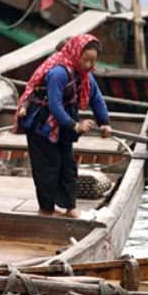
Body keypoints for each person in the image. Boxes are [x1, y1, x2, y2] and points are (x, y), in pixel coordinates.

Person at [16, 34, 111, 218]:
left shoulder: (85, 76)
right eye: (86, 60)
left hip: (64, 126)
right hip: (42, 125)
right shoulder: (58, 73)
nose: (90, 66)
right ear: (75, 55)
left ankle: (70, 207)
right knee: (47, 168)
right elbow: (54, 105)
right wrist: (74, 126)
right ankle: (46, 209)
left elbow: (96, 99)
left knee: (68, 166)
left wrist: (104, 123)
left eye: (93, 61)